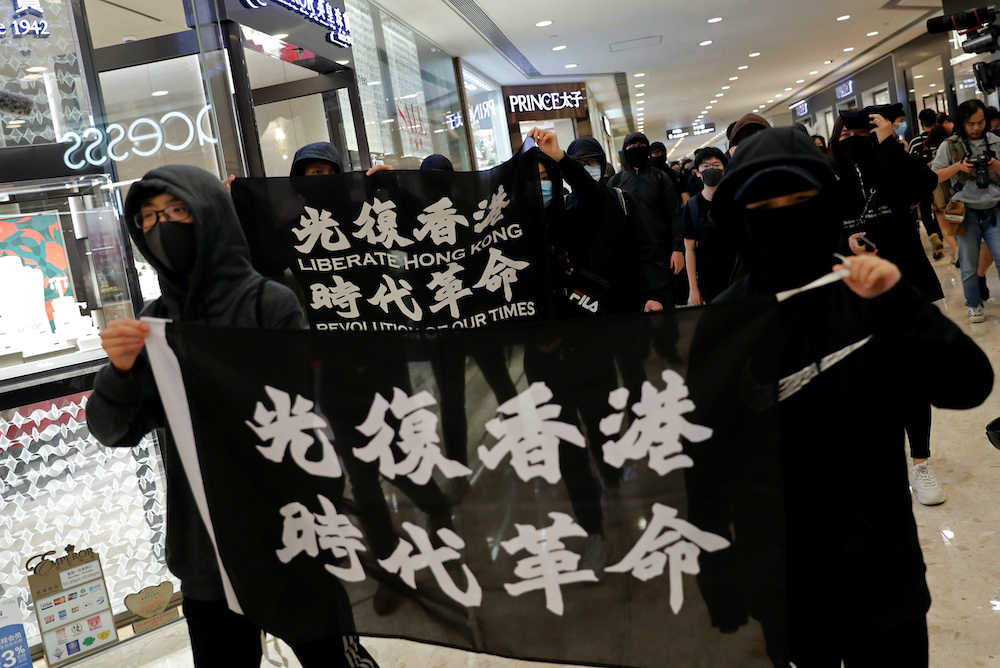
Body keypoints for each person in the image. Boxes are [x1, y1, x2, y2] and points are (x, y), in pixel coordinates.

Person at [710, 126, 993, 667]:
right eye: (764, 205)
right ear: (739, 216)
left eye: (800, 200)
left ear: (828, 201)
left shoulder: (869, 289)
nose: (784, 216)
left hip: (883, 568)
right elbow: (705, 458)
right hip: (787, 578)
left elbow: (967, 384)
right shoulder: (726, 323)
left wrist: (898, 301)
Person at [87, 165, 379, 667]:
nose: (164, 227)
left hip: (290, 533)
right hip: (206, 548)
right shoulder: (155, 323)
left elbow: (309, 414)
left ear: (210, 216)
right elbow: (113, 430)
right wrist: (120, 373)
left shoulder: (269, 303)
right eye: (150, 218)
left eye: (178, 211)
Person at [830, 104, 946, 505]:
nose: (851, 143)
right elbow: (816, 233)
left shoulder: (891, 160)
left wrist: (887, 141)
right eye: (843, 137)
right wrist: (843, 244)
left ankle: (920, 463)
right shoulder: (829, 177)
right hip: (855, 292)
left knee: (912, 376)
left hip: (906, 283)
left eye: (860, 134)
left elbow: (923, 185)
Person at [932, 99, 1000, 323]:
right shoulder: (950, 145)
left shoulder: (995, 141)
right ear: (962, 123)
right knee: (969, 264)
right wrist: (959, 167)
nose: (977, 128)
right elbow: (935, 176)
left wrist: (996, 166)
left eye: (981, 122)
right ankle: (974, 304)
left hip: (995, 209)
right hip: (965, 212)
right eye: (971, 123)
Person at [608, 133, 685, 307]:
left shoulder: (660, 178)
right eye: (632, 146)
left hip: (662, 251)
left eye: (641, 145)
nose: (637, 149)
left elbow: (675, 213)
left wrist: (677, 248)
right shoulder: (616, 181)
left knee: (665, 300)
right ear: (625, 150)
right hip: (629, 254)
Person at [683, 147, 736, 305]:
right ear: (697, 172)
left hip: (737, 276)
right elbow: (690, 250)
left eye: (716, 165)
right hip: (709, 280)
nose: (711, 169)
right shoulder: (692, 206)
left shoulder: (735, 200)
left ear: (724, 170)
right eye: (706, 166)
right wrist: (693, 288)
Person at [909, 109, 947, 259]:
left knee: (925, 212)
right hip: (941, 181)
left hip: (922, 182)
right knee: (940, 212)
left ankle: (933, 234)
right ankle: (940, 237)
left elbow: (910, 164)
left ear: (921, 122)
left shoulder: (915, 141)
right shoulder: (943, 139)